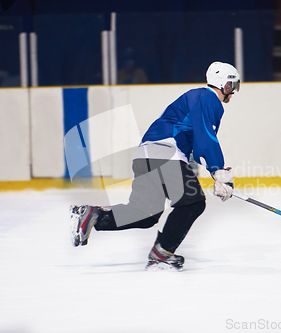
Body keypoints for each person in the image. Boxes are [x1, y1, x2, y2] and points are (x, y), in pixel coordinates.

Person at [70, 61, 240, 271]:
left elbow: (197, 143)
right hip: (166, 153)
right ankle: (162, 254)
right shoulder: (208, 98)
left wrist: (213, 171)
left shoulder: (194, 98)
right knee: (193, 203)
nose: (233, 91)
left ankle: (94, 214)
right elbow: (206, 139)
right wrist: (218, 171)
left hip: (146, 155)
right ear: (224, 84)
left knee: (145, 214)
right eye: (233, 86)